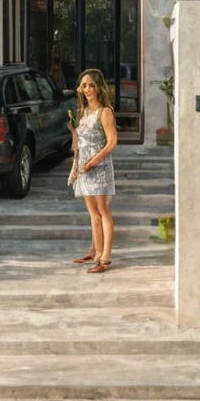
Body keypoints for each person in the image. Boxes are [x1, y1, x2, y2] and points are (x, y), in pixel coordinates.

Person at [68, 68, 118, 273]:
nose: (87, 89)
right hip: (84, 168)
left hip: (100, 168)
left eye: (91, 85)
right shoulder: (83, 112)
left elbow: (112, 142)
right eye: (84, 85)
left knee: (103, 211)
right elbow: (78, 143)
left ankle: (105, 257)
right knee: (92, 214)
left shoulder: (105, 112)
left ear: (98, 88)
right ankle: (95, 251)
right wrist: (75, 167)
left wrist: (92, 163)